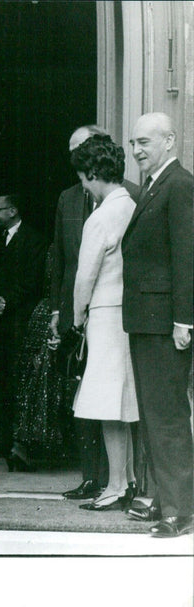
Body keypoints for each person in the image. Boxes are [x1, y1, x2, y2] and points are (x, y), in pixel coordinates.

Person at [122, 112, 193, 538]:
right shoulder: (156, 185)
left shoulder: (180, 185)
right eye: (133, 143)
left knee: (165, 415)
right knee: (153, 414)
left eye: (144, 142)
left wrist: (185, 321)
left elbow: (186, 257)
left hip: (165, 322)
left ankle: (179, 510)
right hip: (148, 321)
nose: (136, 150)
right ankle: (169, 500)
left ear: (169, 141)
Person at [69, 134, 138, 512]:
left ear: (94, 173)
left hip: (107, 316)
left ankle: (115, 485)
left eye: (82, 177)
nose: (82, 185)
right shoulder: (133, 205)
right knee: (124, 403)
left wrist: (78, 316)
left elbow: (85, 277)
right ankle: (125, 479)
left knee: (109, 405)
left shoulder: (101, 217)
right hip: (129, 315)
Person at [50, 125, 111, 501]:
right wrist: (58, 309)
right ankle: (91, 477)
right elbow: (60, 260)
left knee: (110, 395)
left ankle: (116, 478)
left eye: (82, 148)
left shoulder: (125, 197)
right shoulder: (67, 199)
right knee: (81, 394)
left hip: (109, 312)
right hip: (75, 314)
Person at [0, 194, 46, 469]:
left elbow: (32, 281)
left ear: (13, 210)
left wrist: (4, 303)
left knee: (18, 382)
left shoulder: (34, 240)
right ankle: (4, 441)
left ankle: (18, 444)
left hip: (21, 323)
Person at [11, 246, 76, 464]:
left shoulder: (50, 251)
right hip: (59, 312)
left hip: (42, 312)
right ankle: (41, 444)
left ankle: (23, 444)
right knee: (50, 379)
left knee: (34, 377)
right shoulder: (69, 250)